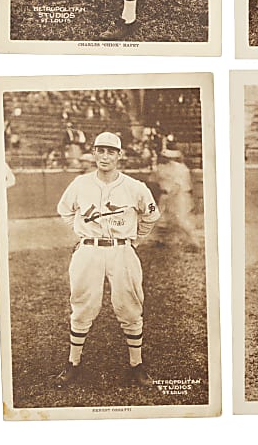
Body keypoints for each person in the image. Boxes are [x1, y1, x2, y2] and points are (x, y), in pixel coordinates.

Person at [53, 132, 161, 388]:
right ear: (93, 153)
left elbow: (151, 216)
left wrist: (133, 240)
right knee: (82, 305)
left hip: (122, 251)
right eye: (100, 150)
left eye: (111, 151)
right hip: (88, 250)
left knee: (130, 306)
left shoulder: (135, 187)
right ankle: (73, 363)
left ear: (119, 155)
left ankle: (137, 365)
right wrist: (82, 234)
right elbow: (65, 211)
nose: (105, 156)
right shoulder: (80, 184)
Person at [148, 145, 199, 248]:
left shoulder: (180, 169)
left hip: (179, 196)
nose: (163, 159)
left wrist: (170, 197)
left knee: (180, 220)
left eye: (166, 157)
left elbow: (178, 186)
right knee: (161, 219)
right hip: (166, 195)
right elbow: (153, 180)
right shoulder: (161, 168)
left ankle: (194, 241)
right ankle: (160, 240)